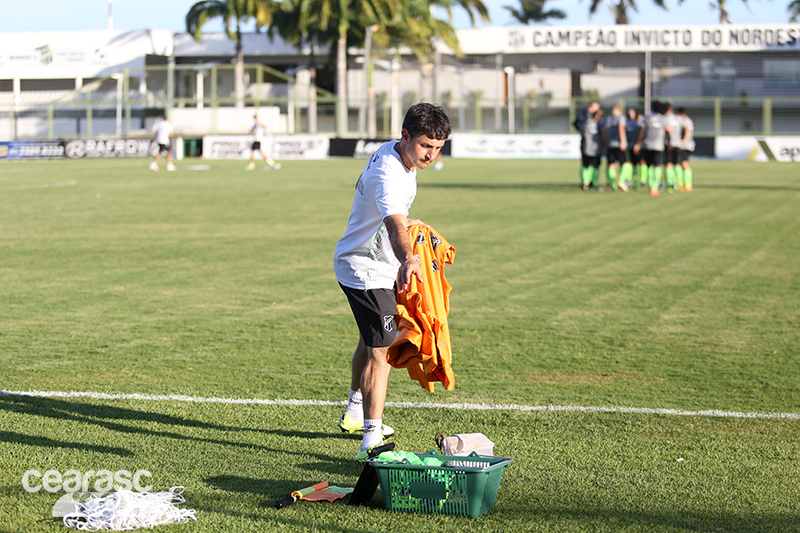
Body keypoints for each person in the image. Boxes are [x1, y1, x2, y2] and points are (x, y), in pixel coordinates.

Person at [333, 103, 451, 461]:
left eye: (439, 147)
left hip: (367, 262)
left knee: (370, 339)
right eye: (425, 146)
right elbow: (394, 226)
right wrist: (410, 258)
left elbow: (390, 213)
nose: (431, 154)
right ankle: (371, 439)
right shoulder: (390, 174)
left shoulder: (394, 153)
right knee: (382, 351)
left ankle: (355, 409)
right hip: (365, 270)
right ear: (405, 137)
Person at [634, 101, 667, 197]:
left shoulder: (647, 118)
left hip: (647, 145)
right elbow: (667, 131)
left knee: (649, 166)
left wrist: (638, 143)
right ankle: (655, 187)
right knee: (657, 165)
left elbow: (642, 132)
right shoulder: (662, 119)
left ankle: (651, 186)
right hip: (658, 146)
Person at [601, 103, 629, 191]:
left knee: (611, 164)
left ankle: (612, 184)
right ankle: (621, 180)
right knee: (626, 163)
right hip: (618, 143)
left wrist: (606, 142)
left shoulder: (607, 119)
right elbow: (621, 128)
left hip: (610, 144)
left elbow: (604, 132)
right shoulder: (621, 117)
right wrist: (623, 141)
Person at [574, 101, 601, 188]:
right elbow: (576, 123)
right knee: (587, 162)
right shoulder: (585, 115)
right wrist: (583, 132)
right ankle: (586, 182)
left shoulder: (587, 115)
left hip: (593, 142)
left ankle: (589, 181)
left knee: (593, 163)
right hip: (588, 142)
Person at [663, 103, 684, 192]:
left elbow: (666, 131)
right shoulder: (679, 118)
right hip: (677, 144)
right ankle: (679, 182)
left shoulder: (664, 119)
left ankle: (670, 184)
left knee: (668, 164)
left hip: (669, 145)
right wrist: (683, 140)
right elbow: (686, 127)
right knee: (677, 163)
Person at [625, 108, 645, 190]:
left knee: (640, 163)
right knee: (629, 162)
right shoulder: (626, 123)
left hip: (637, 146)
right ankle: (628, 180)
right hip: (628, 146)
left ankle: (640, 181)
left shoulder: (639, 123)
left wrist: (638, 144)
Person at [678, 107, 695, 191]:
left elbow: (687, 130)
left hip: (685, 146)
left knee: (684, 163)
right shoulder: (688, 120)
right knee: (682, 163)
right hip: (686, 145)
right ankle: (684, 183)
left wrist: (683, 141)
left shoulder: (685, 121)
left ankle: (688, 184)